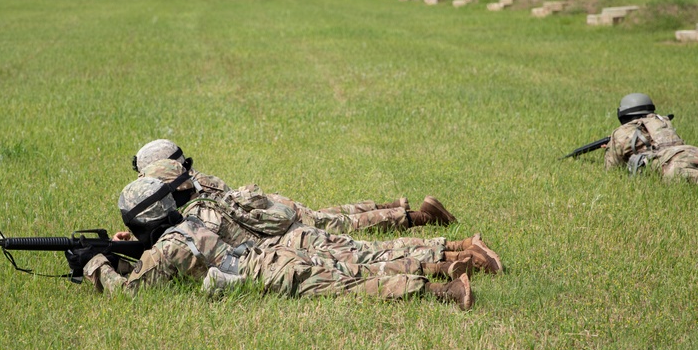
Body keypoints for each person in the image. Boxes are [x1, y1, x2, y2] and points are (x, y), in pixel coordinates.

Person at [83, 177, 475, 310]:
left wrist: (93, 264)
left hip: (267, 271)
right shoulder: (195, 216)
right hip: (273, 254)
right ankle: (448, 263)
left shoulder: (167, 249)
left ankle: (445, 290)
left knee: (354, 281)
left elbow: (127, 291)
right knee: (357, 263)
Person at [131, 157, 502, 274]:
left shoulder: (198, 214)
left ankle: (453, 249)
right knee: (345, 222)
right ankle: (432, 229)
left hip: (284, 244)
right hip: (284, 218)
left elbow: (205, 249)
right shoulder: (206, 184)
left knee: (363, 253)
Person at [132, 139, 457, 233]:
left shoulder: (183, 196)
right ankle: (393, 205)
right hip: (266, 204)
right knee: (332, 214)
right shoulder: (200, 179)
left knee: (341, 225)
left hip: (268, 218)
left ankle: (420, 217)